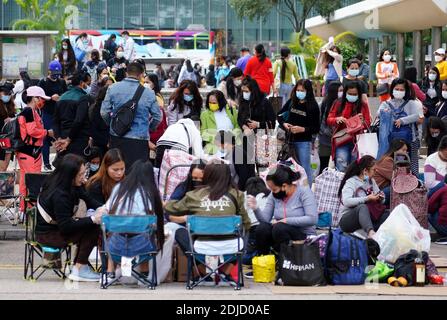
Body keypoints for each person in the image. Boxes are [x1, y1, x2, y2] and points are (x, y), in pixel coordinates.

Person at [166, 162, 250, 282]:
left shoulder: (194, 195)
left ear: (207, 176)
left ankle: (204, 272)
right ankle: (225, 273)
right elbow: (246, 223)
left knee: (180, 232)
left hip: (201, 248)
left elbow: (172, 208)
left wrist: (164, 203)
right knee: (246, 230)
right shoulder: (238, 195)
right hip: (231, 247)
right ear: (228, 176)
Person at [36, 154, 104, 282]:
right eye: (80, 174)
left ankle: (78, 266)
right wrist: (93, 219)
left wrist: (105, 208)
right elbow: (66, 226)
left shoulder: (68, 184)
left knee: (90, 225)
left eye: (84, 173)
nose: (83, 177)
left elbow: (89, 200)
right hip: (48, 234)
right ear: (70, 175)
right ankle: (80, 268)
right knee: (93, 228)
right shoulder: (60, 194)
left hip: (57, 228)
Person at [102, 160, 165, 279]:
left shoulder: (118, 188)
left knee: (113, 230)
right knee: (148, 230)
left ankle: (110, 270)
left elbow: (108, 209)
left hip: (115, 247)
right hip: (143, 247)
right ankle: (144, 272)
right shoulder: (150, 192)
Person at [101, 62, 161, 169]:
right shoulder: (149, 93)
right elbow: (157, 117)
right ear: (141, 75)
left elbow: (104, 112)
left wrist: (113, 125)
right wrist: (149, 128)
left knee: (117, 171)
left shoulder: (113, 88)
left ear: (126, 73)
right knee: (137, 173)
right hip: (140, 139)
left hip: (117, 136)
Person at [246, 165, 318, 255]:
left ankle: (286, 261)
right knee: (262, 228)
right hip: (280, 235)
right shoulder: (274, 196)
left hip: (302, 236)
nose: (272, 192)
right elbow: (265, 220)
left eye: (274, 189)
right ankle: (265, 260)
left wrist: (285, 221)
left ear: (284, 186)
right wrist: (255, 208)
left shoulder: (304, 192)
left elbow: (312, 219)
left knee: (279, 228)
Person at [17, 87, 55, 215]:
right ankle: (30, 210)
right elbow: (32, 131)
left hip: (27, 153)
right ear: (35, 98)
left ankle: (24, 209)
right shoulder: (29, 112)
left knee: (25, 182)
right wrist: (47, 132)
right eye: (41, 98)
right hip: (30, 153)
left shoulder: (30, 111)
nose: (43, 101)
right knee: (32, 183)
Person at [277, 79, 320, 186]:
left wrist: (303, 129)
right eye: (298, 90)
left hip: (303, 142)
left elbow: (316, 127)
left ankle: (307, 192)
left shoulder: (313, 106)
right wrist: (284, 125)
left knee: (305, 168)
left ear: (308, 91)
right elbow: (279, 115)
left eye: (302, 90)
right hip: (289, 141)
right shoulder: (292, 102)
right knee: (289, 168)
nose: (300, 92)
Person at [377, 79, 420, 175]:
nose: (399, 91)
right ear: (392, 89)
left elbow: (416, 116)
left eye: (402, 90)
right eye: (397, 89)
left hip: (409, 141)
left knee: (411, 163)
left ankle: (414, 183)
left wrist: (402, 120)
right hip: (390, 142)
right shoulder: (386, 103)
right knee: (392, 163)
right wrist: (390, 116)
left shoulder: (410, 103)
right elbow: (379, 113)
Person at [338, 156, 387, 238]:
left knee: (387, 214)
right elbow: (346, 201)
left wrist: (381, 198)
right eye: (374, 170)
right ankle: (370, 233)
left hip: (367, 217)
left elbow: (380, 195)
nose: (376, 172)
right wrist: (367, 198)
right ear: (365, 171)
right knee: (362, 207)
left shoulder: (371, 181)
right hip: (348, 220)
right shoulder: (351, 182)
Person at [327, 81, 371, 172]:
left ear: (359, 94)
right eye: (349, 93)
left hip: (358, 141)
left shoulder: (363, 105)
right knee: (341, 168)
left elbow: (368, 123)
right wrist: (337, 119)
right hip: (342, 140)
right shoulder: (338, 103)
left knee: (354, 169)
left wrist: (362, 122)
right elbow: (329, 119)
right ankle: (341, 185)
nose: (352, 96)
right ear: (345, 93)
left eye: (354, 94)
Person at [53, 71, 92, 161]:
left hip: (62, 139)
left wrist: (58, 138)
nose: (89, 86)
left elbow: (55, 121)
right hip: (79, 139)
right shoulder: (83, 98)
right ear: (82, 83)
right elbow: (79, 120)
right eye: (88, 83)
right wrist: (69, 139)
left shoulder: (62, 97)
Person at [37, 61, 68, 171]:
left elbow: (66, 94)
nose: (56, 75)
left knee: (59, 137)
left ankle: (58, 162)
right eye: (54, 73)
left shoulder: (62, 82)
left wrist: (61, 98)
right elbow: (39, 97)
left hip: (59, 114)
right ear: (49, 71)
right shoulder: (43, 82)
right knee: (46, 138)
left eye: (58, 73)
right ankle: (46, 163)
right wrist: (50, 98)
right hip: (47, 114)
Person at [200, 90, 240, 154]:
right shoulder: (205, 115)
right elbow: (203, 132)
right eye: (210, 102)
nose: (212, 104)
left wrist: (232, 138)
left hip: (232, 146)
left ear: (220, 102)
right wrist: (215, 138)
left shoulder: (232, 111)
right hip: (214, 149)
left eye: (214, 103)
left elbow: (237, 127)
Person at [372, 139, 408, 204]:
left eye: (406, 150)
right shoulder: (387, 160)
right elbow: (397, 179)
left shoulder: (393, 160)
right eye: (403, 150)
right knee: (399, 188)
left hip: (384, 189)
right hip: (378, 192)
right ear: (395, 150)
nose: (405, 153)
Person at [318, 81, 343, 173]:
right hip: (325, 141)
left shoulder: (343, 104)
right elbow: (320, 123)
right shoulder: (323, 104)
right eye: (340, 90)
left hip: (339, 140)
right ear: (334, 91)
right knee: (323, 166)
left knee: (339, 167)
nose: (342, 93)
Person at [145, 73, 168, 160]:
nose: (145, 84)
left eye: (148, 82)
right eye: (145, 82)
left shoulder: (156, 98)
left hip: (155, 140)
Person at [0, 83, 16, 170]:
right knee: (1, 167)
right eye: (5, 94)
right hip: (1, 139)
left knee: (4, 168)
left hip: (8, 140)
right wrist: (3, 121)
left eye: (9, 94)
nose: (7, 96)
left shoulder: (10, 106)